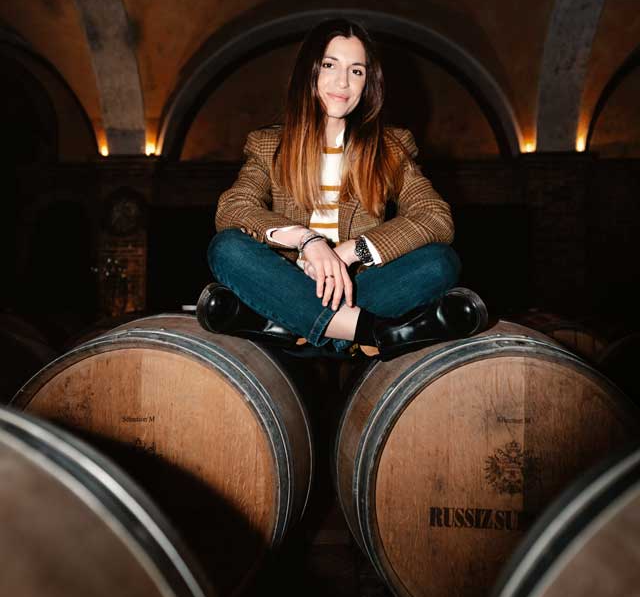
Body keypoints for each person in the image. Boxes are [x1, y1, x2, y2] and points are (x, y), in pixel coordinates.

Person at [197, 18, 487, 360]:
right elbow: (234, 207)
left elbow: (435, 217)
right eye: (329, 65)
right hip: (289, 282)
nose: (343, 82)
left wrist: (351, 252)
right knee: (226, 248)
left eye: (357, 71)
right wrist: (307, 241)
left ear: (368, 84)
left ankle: (291, 327)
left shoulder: (390, 147)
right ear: (309, 73)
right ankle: (374, 332)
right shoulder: (267, 145)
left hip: (359, 288)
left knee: (440, 262)